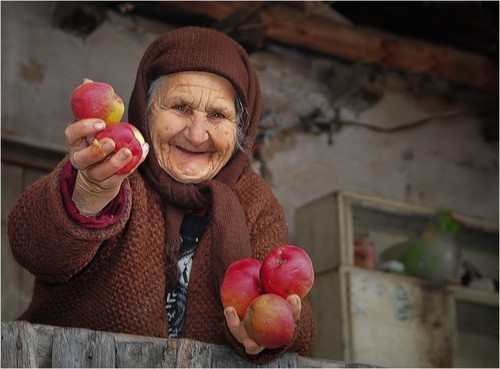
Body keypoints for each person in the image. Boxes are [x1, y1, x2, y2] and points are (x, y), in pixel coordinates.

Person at [8, 26, 316, 364]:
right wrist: (89, 194)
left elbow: (298, 318)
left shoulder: (255, 201)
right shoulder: (113, 167)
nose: (198, 135)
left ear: (240, 127)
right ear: (147, 109)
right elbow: (33, 249)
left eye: (218, 115)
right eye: (181, 107)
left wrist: (274, 331)